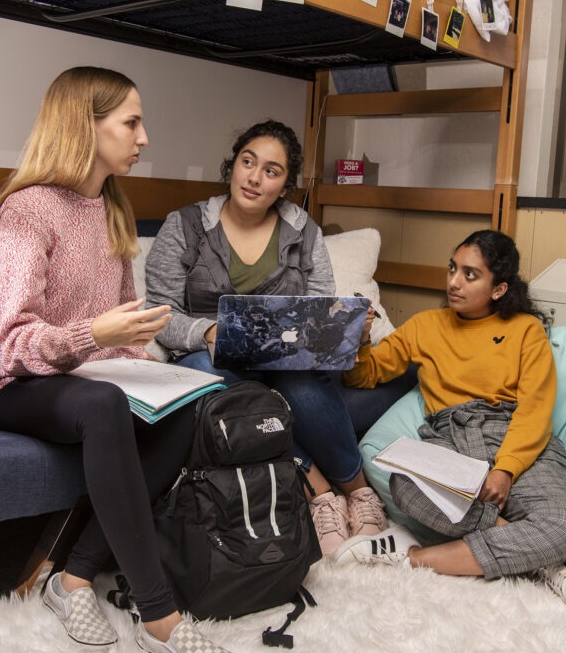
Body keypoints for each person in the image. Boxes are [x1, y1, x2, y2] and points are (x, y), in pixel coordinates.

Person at [0, 66, 248, 653]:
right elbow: (12, 342)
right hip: (16, 383)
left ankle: (72, 577)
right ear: (85, 125)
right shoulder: (27, 210)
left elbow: (120, 334)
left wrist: (148, 367)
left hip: (90, 377)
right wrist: (94, 334)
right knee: (103, 405)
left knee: (193, 400)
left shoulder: (110, 209)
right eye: (131, 122)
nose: (144, 137)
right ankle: (162, 618)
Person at [145, 119, 391, 558]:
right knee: (216, 382)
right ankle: (318, 492)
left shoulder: (304, 233)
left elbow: (321, 310)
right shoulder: (183, 226)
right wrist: (207, 331)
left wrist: (346, 328)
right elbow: (156, 312)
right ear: (233, 166)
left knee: (300, 384)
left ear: (284, 186)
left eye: (272, 171)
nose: (255, 178)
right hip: (210, 359)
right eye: (248, 162)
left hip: (285, 363)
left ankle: (358, 491)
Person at [335, 229, 566, 608]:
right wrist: (358, 339)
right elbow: (364, 377)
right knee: (405, 486)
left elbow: (535, 408)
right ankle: (548, 560)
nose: (454, 282)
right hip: (449, 436)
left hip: (514, 436)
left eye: (470, 275)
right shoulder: (425, 325)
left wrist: (505, 469)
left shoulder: (526, 331)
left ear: (499, 289)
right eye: (453, 268)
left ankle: (416, 556)